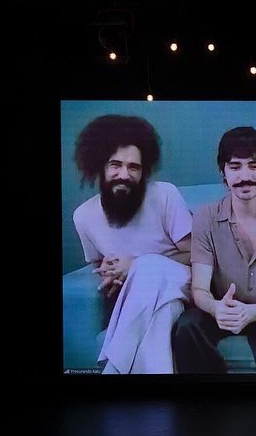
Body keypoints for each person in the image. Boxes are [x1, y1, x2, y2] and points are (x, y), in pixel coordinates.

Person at [171, 127, 256, 373]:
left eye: (254, 166)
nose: (245, 176)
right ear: (223, 173)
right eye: (235, 167)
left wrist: (255, 312)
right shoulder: (205, 217)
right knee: (187, 326)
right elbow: (200, 289)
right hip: (222, 308)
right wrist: (216, 308)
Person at [71, 114, 192, 374]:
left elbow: (196, 254)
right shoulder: (83, 216)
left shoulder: (165, 195)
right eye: (116, 165)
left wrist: (135, 265)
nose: (124, 174)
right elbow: (99, 264)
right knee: (160, 320)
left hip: (181, 283)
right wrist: (110, 273)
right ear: (100, 166)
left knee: (147, 266)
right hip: (147, 298)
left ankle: (112, 369)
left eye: (133, 167)